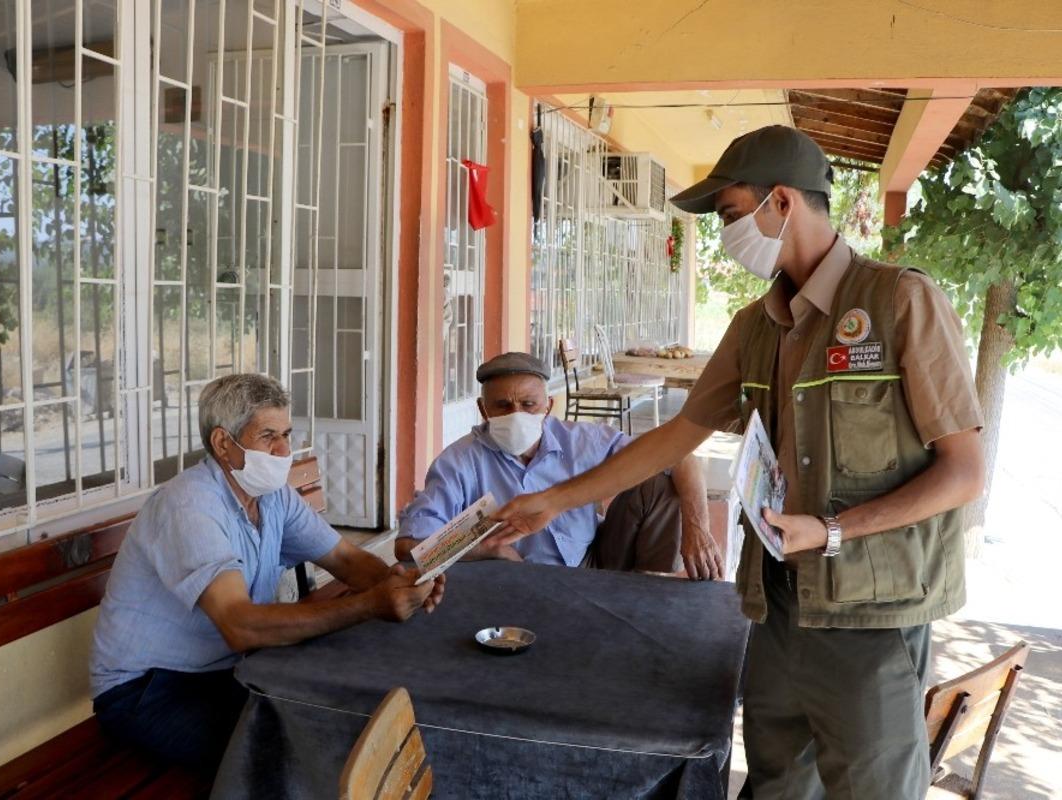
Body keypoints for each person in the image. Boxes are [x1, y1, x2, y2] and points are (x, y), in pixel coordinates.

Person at [489, 126, 985, 798]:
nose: (726, 233)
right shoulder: (755, 327)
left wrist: (834, 531)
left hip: (870, 617)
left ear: (781, 201)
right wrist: (554, 499)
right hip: (777, 607)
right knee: (777, 783)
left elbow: (963, 472)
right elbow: (679, 435)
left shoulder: (898, 302)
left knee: (873, 788)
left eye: (729, 213)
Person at [89, 374, 445, 771]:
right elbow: (240, 625)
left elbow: (345, 559)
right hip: (150, 690)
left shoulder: (271, 496)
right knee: (291, 753)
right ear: (223, 443)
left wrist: (400, 582)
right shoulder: (189, 507)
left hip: (228, 667)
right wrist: (370, 606)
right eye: (268, 436)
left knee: (347, 714)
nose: (282, 451)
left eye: (287, 434)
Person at [394, 352, 723, 580]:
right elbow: (410, 548)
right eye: (503, 406)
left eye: (528, 404)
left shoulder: (579, 440)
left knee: (658, 486)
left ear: (548, 406)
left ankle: (647, 592)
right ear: (483, 410)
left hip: (593, 559)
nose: (516, 414)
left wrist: (698, 529)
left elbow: (679, 454)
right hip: (512, 577)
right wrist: (488, 550)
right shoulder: (459, 461)